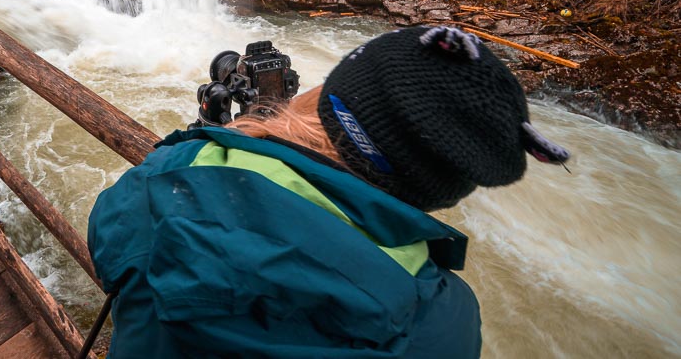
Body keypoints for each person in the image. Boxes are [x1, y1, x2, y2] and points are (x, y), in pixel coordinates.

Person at [87, 25, 571, 358]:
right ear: (445, 188)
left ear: (326, 104)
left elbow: (108, 234)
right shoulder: (443, 317)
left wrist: (221, 133)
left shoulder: (167, 179)